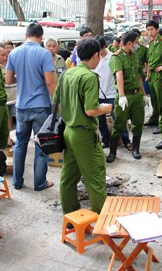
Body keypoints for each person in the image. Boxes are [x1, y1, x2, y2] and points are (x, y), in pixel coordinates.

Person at [57, 38, 112, 214]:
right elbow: (91, 110)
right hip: (83, 134)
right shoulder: (89, 76)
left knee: (69, 177)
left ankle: (71, 214)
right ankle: (101, 219)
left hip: (68, 130)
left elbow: (56, 102)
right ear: (96, 55)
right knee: (95, 176)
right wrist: (107, 108)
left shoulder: (67, 73)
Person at [5, 23, 55, 191]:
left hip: (21, 106)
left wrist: (24, 77)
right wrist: (57, 102)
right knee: (41, 146)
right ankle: (39, 183)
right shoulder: (44, 54)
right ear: (41, 37)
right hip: (40, 106)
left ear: (26, 35)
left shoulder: (14, 53)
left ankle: (17, 182)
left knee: (20, 144)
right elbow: (49, 82)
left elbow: (9, 80)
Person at [107, 31, 147, 162]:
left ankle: (136, 148)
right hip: (125, 97)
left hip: (137, 96)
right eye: (136, 42)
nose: (137, 45)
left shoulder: (135, 56)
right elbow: (119, 76)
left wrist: (144, 94)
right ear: (129, 43)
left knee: (138, 123)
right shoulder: (116, 57)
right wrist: (122, 95)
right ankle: (112, 152)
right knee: (119, 125)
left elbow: (139, 76)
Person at [93, 36, 131, 150]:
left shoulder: (112, 58)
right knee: (101, 121)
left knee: (118, 119)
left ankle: (126, 141)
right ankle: (106, 141)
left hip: (111, 94)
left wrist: (121, 94)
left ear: (103, 47)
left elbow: (119, 76)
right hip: (98, 94)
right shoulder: (94, 58)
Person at [145, 20, 162, 134]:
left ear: (157, 29)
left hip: (160, 75)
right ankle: (154, 119)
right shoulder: (151, 43)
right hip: (151, 75)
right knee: (154, 99)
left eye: (151, 29)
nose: (149, 32)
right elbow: (149, 60)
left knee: (161, 100)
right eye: (148, 30)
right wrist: (147, 74)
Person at [1, 40, 16, 146]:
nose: (9, 49)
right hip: (4, 96)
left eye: (10, 47)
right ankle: (5, 139)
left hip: (14, 96)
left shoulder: (15, 61)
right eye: (6, 47)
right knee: (4, 119)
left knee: (10, 117)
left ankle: (8, 137)